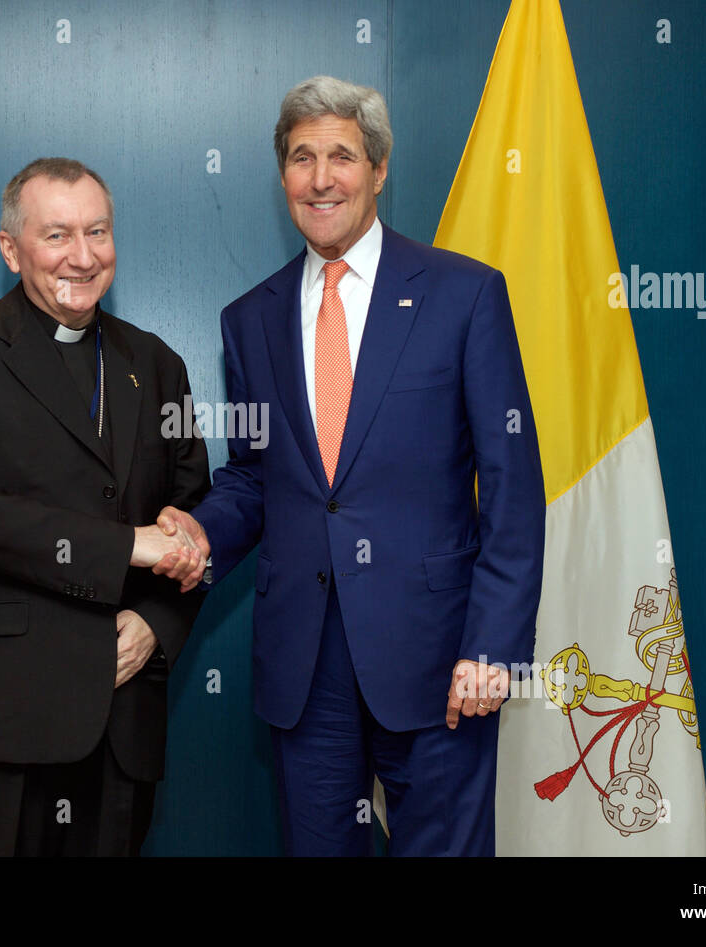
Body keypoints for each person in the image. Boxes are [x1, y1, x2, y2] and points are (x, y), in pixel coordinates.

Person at [155, 77, 546, 856]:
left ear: (379, 168)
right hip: (306, 666)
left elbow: (512, 483)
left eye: (341, 155)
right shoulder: (250, 318)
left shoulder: (464, 294)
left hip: (441, 659)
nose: (321, 176)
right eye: (302, 158)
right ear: (283, 178)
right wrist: (198, 531)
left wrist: (493, 646)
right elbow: (257, 475)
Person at [0, 157, 209, 856]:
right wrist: (125, 546)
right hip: (8, 711)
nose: (83, 256)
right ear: (11, 248)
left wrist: (157, 621)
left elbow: (194, 516)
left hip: (124, 711)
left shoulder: (157, 363)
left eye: (98, 231)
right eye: (57, 236)